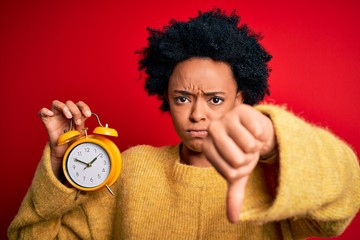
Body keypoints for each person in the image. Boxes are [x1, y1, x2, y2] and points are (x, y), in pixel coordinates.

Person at [8, 8, 360, 239]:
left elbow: (343, 201)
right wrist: (59, 168)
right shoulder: (130, 170)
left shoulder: (275, 179)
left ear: (241, 100)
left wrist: (274, 147)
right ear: (166, 97)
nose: (197, 114)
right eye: (182, 98)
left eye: (215, 99)